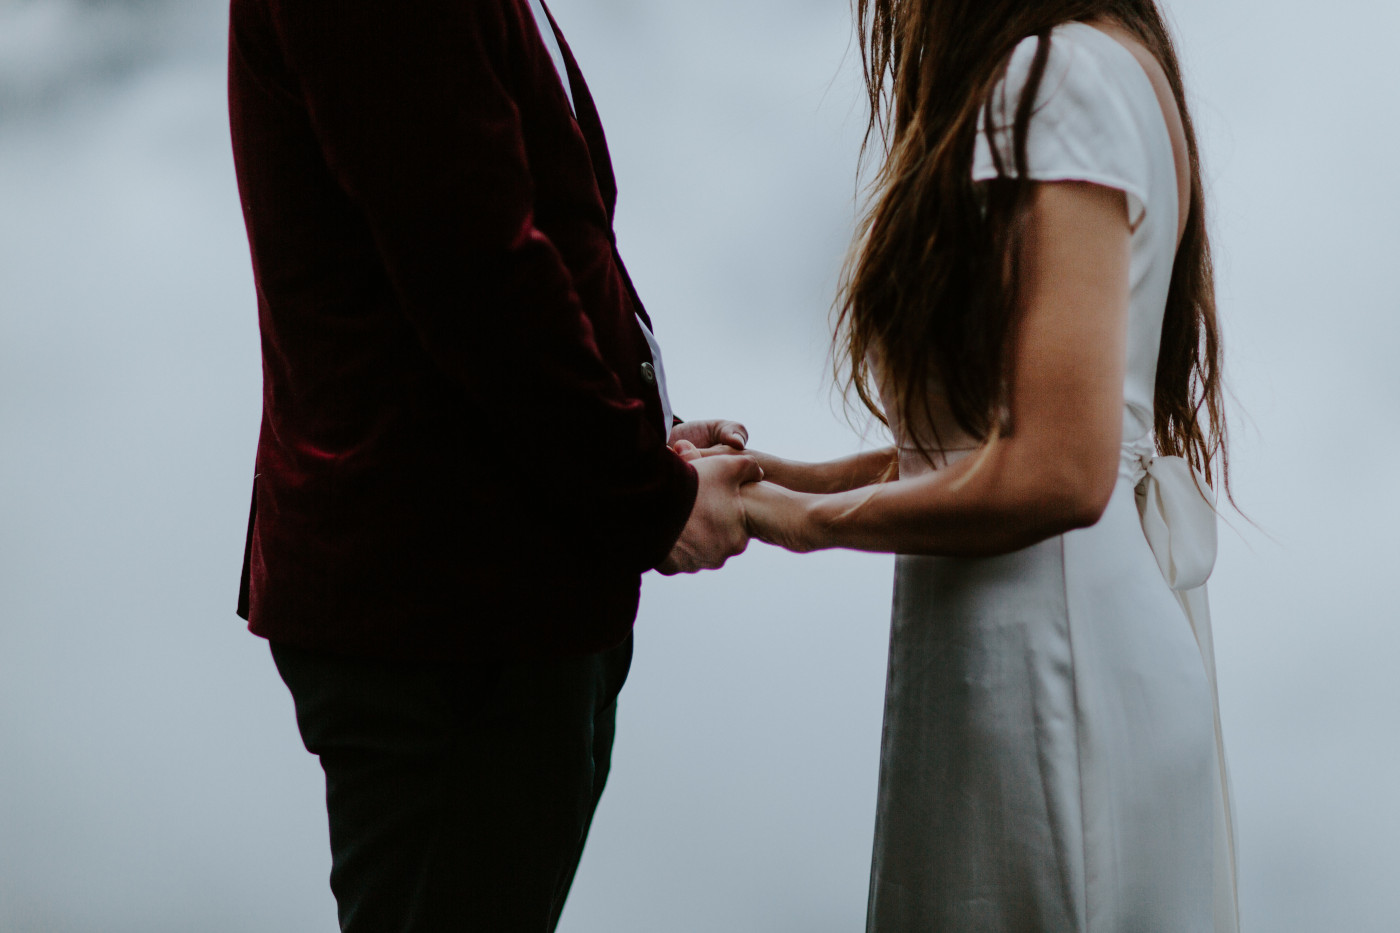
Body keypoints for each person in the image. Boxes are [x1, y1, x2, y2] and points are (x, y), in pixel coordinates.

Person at [706, 1, 1240, 929]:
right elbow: (1015, 426)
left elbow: (1057, 469)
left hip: (1044, 668)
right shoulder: (1115, 60)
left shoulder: (1055, 79)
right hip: (1074, 642)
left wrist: (800, 523)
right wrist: (793, 478)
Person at [226, 0, 759, 929]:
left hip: (490, 589)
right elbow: (478, 271)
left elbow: (523, 231)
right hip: (448, 611)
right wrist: (650, 498)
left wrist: (641, 437)